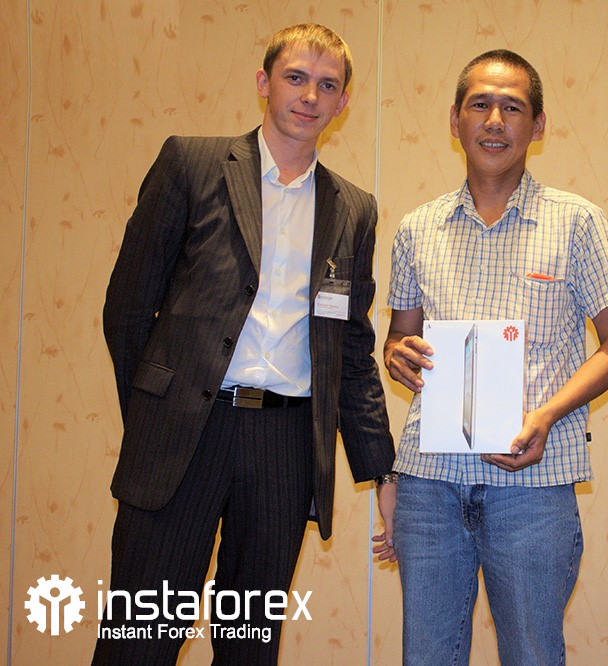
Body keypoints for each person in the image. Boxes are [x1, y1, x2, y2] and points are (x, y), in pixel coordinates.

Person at [97, 23, 395, 664]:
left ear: (343, 103)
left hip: (285, 447)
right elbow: (127, 307)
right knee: (139, 641)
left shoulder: (354, 209)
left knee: (249, 647)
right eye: (296, 78)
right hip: (187, 435)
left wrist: (381, 470)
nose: (310, 96)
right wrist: (155, 416)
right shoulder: (192, 163)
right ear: (264, 82)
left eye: (328, 86)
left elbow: (351, 350)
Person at [376, 50, 608, 665]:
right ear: (455, 120)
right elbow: (398, 339)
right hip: (430, 483)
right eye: (480, 105)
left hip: (533, 488)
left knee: (532, 655)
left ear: (537, 125)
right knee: (427, 658)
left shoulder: (576, 222)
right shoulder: (417, 228)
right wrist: (397, 354)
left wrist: (545, 416)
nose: (495, 120)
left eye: (513, 108)